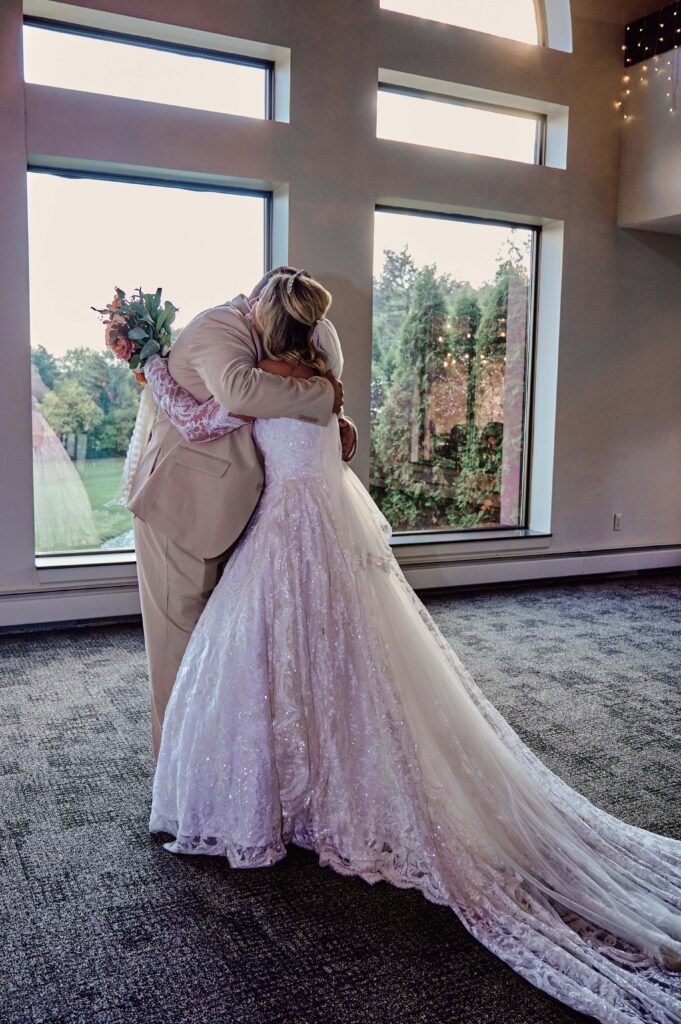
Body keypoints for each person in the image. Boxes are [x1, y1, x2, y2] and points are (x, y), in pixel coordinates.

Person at [145, 270, 681, 1024]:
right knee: (332, 656)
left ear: (266, 319)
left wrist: (148, 365)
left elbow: (202, 420)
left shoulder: (272, 382)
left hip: (287, 531)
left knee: (273, 655)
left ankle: (291, 793)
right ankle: (314, 779)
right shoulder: (322, 384)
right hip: (315, 525)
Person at [127, 267, 357, 759]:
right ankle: (176, 775)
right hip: (182, 508)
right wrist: (326, 395)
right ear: (258, 305)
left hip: (243, 511)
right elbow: (243, 394)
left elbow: (280, 402)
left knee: (223, 653)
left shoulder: (274, 341)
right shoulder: (220, 325)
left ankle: (222, 766)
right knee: (179, 650)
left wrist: (337, 422)